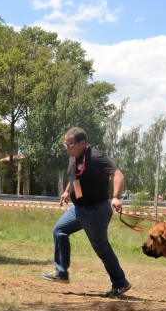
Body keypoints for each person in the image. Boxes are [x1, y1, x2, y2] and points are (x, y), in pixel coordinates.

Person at [41, 127, 132, 298]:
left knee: (101, 247)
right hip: (78, 209)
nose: (67, 148)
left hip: (96, 210)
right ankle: (61, 272)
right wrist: (68, 191)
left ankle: (120, 283)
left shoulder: (96, 157)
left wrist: (116, 197)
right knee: (59, 231)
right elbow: (75, 177)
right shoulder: (74, 157)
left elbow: (118, 175)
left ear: (82, 143)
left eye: (71, 144)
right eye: (65, 144)